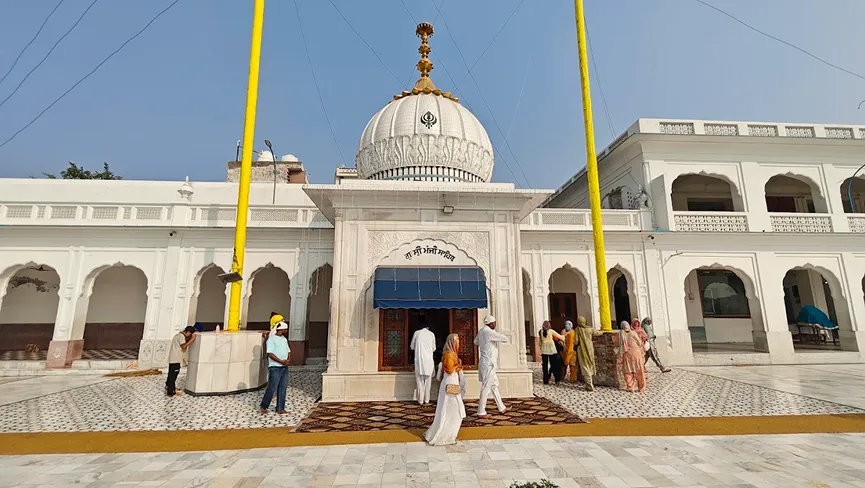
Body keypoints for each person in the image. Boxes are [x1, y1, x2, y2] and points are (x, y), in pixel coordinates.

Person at [424, 334, 466, 445]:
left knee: (452, 410)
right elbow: (449, 370)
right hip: (450, 384)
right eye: (456, 341)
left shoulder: (452, 354)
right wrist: (459, 365)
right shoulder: (449, 355)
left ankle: (450, 434)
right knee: (455, 409)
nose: (458, 344)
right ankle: (445, 435)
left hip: (452, 382)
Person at [474, 315, 508, 416]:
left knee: (493, 385)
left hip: (486, 362)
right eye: (495, 323)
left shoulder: (481, 331)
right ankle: (481, 410)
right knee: (486, 386)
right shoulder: (488, 332)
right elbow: (504, 338)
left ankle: (501, 407)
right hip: (489, 364)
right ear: (491, 323)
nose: (495, 324)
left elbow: (475, 341)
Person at [260, 321, 291, 414]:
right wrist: (281, 361)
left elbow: (288, 350)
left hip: (284, 367)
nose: (286, 331)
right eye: (285, 329)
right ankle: (264, 405)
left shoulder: (284, 339)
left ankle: (280, 408)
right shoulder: (271, 340)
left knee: (282, 387)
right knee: (272, 388)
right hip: (275, 367)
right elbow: (270, 353)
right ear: (281, 330)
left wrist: (288, 359)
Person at [410, 321, 436, 405]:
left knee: (419, 381)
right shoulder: (431, 334)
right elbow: (434, 348)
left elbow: (412, 347)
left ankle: (420, 400)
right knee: (428, 383)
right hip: (429, 362)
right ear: (428, 328)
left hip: (419, 361)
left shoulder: (416, 333)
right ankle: (427, 400)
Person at [574, 316, 603, 391]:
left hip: (582, 349)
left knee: (584, 365)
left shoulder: (577, 330)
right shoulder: (590, 329)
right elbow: (598, 333)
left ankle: (589, 384)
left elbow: (576, 341)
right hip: (590, 348)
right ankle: (590, 383)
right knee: (590, 363)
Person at [166, 326, 196, 397]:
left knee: (171, 375)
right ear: (188, 332)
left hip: (173, 358)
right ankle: (171, 391)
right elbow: (184, 346)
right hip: (175, 359)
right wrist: (192, 339)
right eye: (190, 334)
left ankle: (170, 387)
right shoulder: (181, 336)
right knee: (173, 375)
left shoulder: (178, 335)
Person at [620, 320, 646, 393]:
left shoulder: (621, 334)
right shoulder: (633, 333)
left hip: (626, 354)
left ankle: (630, 387)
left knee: (628, 371)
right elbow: (639, 342)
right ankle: (641, 387)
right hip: (636, 353)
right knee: (639, 370)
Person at [539, 321, 565, 385]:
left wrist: (541, 347)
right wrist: (564, 335)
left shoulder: (541, 332)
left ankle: (546, 380)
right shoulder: (551, 331)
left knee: (545, 366)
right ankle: (557, 380)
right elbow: (561, 337)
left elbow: (540, 341)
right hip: (552, 350)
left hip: (544, 350)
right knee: (554, 365)